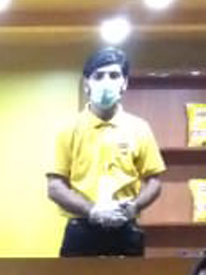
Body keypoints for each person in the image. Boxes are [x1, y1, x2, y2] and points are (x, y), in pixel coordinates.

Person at [46, 46, 166, 257]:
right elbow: (55, 187)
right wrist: (91, 211)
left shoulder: (140, 128)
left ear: (124, 83)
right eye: (99, 76)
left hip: (125, 228)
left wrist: (134, 207)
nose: (106, 81)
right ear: (87, 83)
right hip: (81, 229)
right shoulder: (68, 128)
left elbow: (154, 182)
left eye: (114, 75)